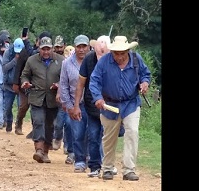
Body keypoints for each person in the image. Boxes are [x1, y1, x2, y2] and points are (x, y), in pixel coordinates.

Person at [89, 36, 151, 181]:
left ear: (128, 51)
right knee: (109, 137)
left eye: (122, 53)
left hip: (131, 104)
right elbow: (94, 80)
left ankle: (129, 170)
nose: (119, 56)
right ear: (112, 52)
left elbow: (145, 74)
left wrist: (145, 83)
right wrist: (98, 98)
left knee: (132, 132)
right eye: (116, 53)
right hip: (109, 105)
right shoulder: (104, 62)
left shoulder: (136, 59)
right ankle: (107, 168)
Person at [20, 36, 65, 163]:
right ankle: (38, 149)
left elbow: (65, 78)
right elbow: (24, 75)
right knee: (38, 121)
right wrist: (25, 82)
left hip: (53, 98)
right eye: (43, 49)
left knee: (50, 125)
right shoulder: (32, 60)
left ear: (52, 49)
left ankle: (45, 152)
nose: (46, 52)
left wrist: (59, 84)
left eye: (48, 49)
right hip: (36, 97)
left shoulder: (61, 61)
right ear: (39, 49)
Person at [71, 35, 110, 177]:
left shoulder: (115, 60)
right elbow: (80, 84)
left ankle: (108, 165)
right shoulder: (88, 60)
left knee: (108, 137)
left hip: (111, 106)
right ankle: (95, 165)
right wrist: (76, 105)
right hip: (92, 105)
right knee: (93, 135)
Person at [59, 34, 90, 173]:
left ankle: (91, 158)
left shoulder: (94, 62)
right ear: (75, 47)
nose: (82, 49)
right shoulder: (66, 63)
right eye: (79, 47)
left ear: (89, 47)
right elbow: (63, 85)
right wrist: (70, 106)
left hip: (91, 103)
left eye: (84, 46)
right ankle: (80, 161)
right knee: (77, 133)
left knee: (92, 132)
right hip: (74, 103)